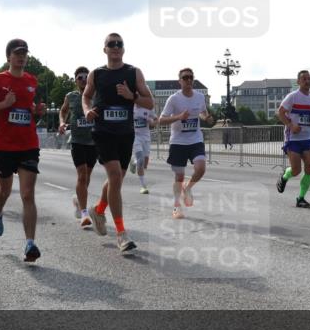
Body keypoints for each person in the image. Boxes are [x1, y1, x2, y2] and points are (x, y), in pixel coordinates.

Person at [82, 32, 155, 252]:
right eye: (110, 44)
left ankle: (99, 209)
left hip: (125, 132)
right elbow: (86, 96)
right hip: (103, 131)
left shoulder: (134, 73)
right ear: (104, 49)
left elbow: (150, 103)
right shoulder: (96, 74)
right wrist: (87, 111)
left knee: (118, 180)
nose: (115, 47)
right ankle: (121, 234)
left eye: (119, 44)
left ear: (123, 49)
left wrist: (130, 96)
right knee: (114, 176)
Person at [0, 38, 46, 263]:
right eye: (17, 53)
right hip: (5, 146)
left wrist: (37, 111)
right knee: (4, 192)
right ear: (8, 57)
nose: (21, 56)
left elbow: (29, 111)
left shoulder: (31, 81)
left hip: (28, 144)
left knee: (27, 194)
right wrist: (3, 105)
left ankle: (29, 244)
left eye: (24, 53)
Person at [159, 68, 213, 219]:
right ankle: (177, 206)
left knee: (201, 168)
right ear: (180, 81)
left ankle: (188, 188)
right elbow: (161, 119)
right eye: (185, 78)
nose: (189, 80)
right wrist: (179, 116)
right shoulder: (174, 99)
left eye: (191, 77)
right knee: (179, 175)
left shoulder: (200, 97)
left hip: (195, 139)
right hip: (178, 142)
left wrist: (206, 118)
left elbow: (202, 112)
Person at [59, 66, 97, 229]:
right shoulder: (71, 96)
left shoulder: (96, 96)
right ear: (75, 80)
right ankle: (84, 213)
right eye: (79, 77)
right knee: (82, 176)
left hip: (93, 141)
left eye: (85, 77)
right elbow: (63, 111)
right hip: (77, 141)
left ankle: (78, 199)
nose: (82, 79)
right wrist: (62, 122)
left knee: (87, 177)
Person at [275, 70, 310, 208]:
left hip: (307, 137)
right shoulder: (292, 96)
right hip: (292, 138)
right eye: (304, 79)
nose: (307, 81)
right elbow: (280, 112)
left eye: (309, 79)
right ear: (298, 82)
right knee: (296, 170)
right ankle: (284, 176)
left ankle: (301, 198)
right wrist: (290, 125)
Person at [131, 102, 157, 194]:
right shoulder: (130, 107)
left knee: (145, 162)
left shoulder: (149, 107)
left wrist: (151, 122)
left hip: (146, 137)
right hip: (135, 137)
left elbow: (155, 120)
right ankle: (143, 186)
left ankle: (134, 162)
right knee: (141, 159)